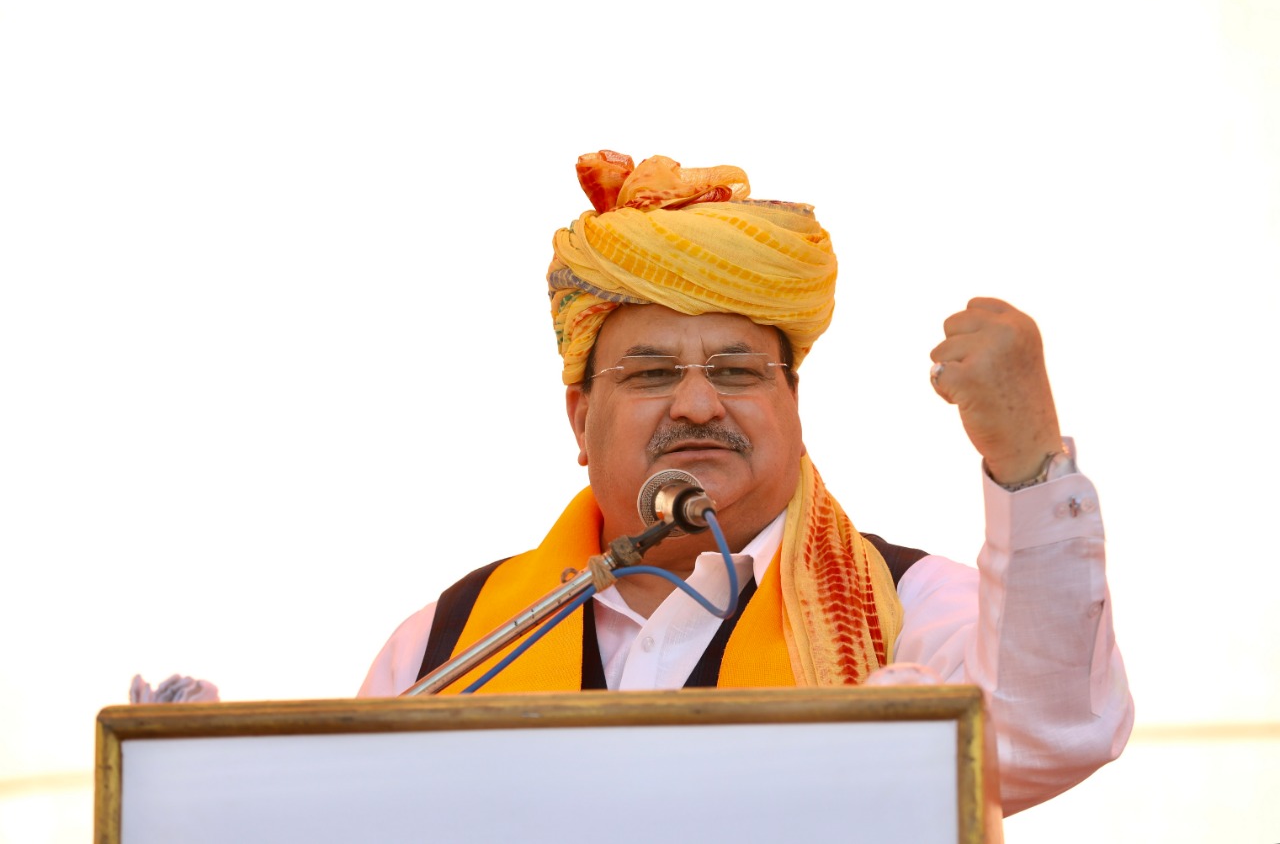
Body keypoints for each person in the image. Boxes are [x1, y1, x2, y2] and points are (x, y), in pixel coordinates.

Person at [359, 150, 1133, 815]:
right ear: (579, 418)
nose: (697, 403)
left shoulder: (910, 607)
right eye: (652, 373)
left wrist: (1029, 461)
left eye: (736, 370)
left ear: (793, 407)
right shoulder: (449, 643)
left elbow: (1048, 728)